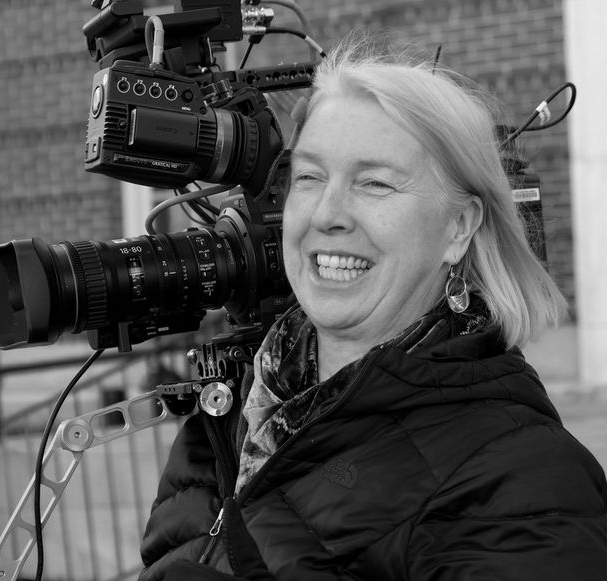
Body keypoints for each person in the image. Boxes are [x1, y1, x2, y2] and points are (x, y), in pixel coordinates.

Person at [138, 38, 607, 581]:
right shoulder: (224, 418)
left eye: (375, 183)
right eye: (310, 177)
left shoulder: (527, 481)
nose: (328, 214)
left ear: (459, 226)